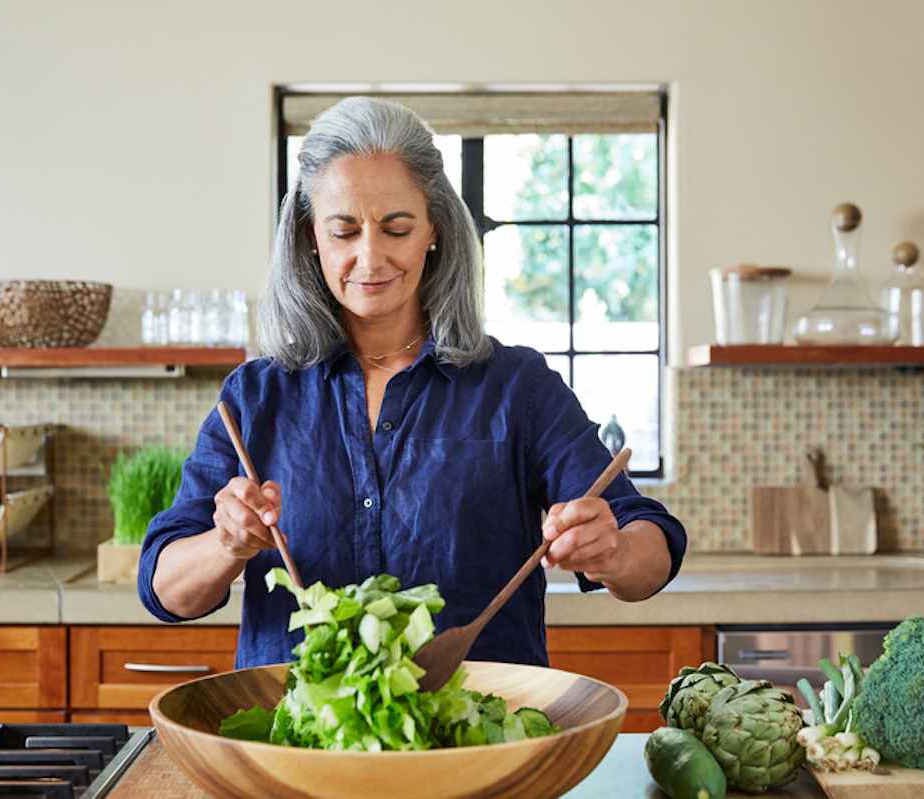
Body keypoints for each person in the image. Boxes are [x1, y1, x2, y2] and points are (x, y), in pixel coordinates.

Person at [139, 97, 686, 669]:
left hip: (478, 741)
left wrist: (613, 549)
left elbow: (650, 546)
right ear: (310, 239)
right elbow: (166, 590)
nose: (370, 257)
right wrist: (225, 543)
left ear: (434, 231)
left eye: (396, 228)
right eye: (344, 231)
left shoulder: (518, 387)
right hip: (296, 747)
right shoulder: (254, 400)